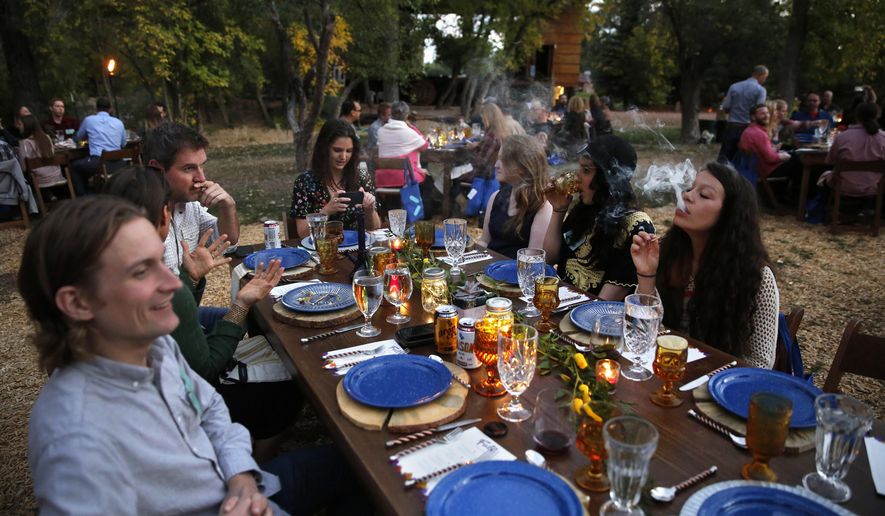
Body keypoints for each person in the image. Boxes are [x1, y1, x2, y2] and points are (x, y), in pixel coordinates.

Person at [19, 196, 368, 515]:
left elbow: (211, 410)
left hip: (242, 485)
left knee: (364, 466)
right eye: (141, 272)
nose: (172, 285)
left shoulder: (154, 345)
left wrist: (241, 476)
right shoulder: (77, 442)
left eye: (159, 261)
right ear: (77, 303)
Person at [104, 167, 300, 459]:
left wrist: (191, 280)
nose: (200, 174)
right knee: (293, 379)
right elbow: (207, 368)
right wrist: (240, 307)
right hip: (184, 404)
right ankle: (260, 464)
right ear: (164, 217)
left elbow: (179, 323)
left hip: (141, 399)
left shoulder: (107, 273)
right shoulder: (161, 285)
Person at [631, 162, 779, 369]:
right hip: (664, 373)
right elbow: (642, 333)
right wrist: (646, 274)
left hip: (717, 390)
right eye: (691, 188)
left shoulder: (756, 277)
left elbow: (760, 364)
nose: (687, 195)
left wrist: (707, 377)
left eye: (705, 195)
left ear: (729, 214)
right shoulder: (668, 253)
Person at [543, 135, 655, 300]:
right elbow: (549, 258)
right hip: (561, 304)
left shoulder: (635, 225)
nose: (577, 177)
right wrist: (558, 210)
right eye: (579, 168)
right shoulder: (585, 210)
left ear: (608, 177)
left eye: (586, 170)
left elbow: (603, 304)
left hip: (594, 319)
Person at [144, 122, 240, 277]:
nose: (201, 178)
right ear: (157, 168)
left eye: (202, 166)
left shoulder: (189, 206)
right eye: (189, 168)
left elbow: (227, 244)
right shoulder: (138, 221)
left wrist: (227, 206)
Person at [289, 119, 381, 238]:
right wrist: (326, 212)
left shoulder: (361, 178)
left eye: (348, 151)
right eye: (337, 150)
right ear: (324, 148)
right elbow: (303, 234)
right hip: (322, 251)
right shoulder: (305, 182)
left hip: (357, 248)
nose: (343, 157)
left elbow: (374, 227)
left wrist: (369, 210)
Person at [478, 134, 552, 257]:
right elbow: (484, 241)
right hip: (487, 270)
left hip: (516, 272)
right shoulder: (496, 197)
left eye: (502, 160)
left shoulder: (541, 205)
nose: (496, 165)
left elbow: (533, 256)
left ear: (521, 166)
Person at [821, 102, 885, 197]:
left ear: (856, 116)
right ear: (877, 116)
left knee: (823, 176)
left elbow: (830, 161)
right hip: (875, 187)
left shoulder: (842, 137)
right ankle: (871, 208)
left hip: (843, 185)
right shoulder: (882, 138)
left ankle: (819, 208)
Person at [72, 97, 126, 195]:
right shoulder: (119, 122)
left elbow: (79, 138)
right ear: (110, 109)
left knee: (75, 166)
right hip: (119, 164)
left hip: (99, 163)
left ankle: (87, 197)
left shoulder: (89, 120)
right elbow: (123, 144)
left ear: (96, 109)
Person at [718, 65, 768, 163]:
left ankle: (717, 177)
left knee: (724, 158)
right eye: (765, 77)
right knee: (744, 160)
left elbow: (725, 106)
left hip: (732, 126)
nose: (765, 80)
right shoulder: (760, 90)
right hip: (749, 129)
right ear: (760, 75)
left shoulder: (734, 86)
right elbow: (759, 110)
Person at [738, 104, 792, 179]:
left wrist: (774, 149)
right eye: (762, 114)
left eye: (767, 113)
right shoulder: (758, 133)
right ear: (753, 117)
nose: (767, 116)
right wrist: (785, 156)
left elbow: (763, 152)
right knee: (799, 164)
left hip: (757, 168)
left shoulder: (750, 130)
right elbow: (771, 158)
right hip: (767, 170)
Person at [17, 114, 66, 188]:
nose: (19, 127)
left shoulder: (24, 142)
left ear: (27, 125)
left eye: (20, 124)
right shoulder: (47, 137)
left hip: (41, 180)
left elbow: (23, 168)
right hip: (57, 175)